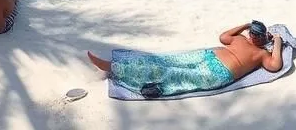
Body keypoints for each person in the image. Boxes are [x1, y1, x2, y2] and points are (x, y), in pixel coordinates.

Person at [86, 21, 283, 98]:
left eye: (258, 35)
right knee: (164, 62)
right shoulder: (241, 37)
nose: (254, 37)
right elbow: (223, 37)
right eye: (252, 33)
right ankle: (119, 67)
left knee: (171, 73)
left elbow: (275, 66)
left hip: (218, 72)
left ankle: (114, 68)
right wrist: (245, 24)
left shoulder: (262, 54)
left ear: (264, 37)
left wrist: (278, 42)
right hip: (207, 55)